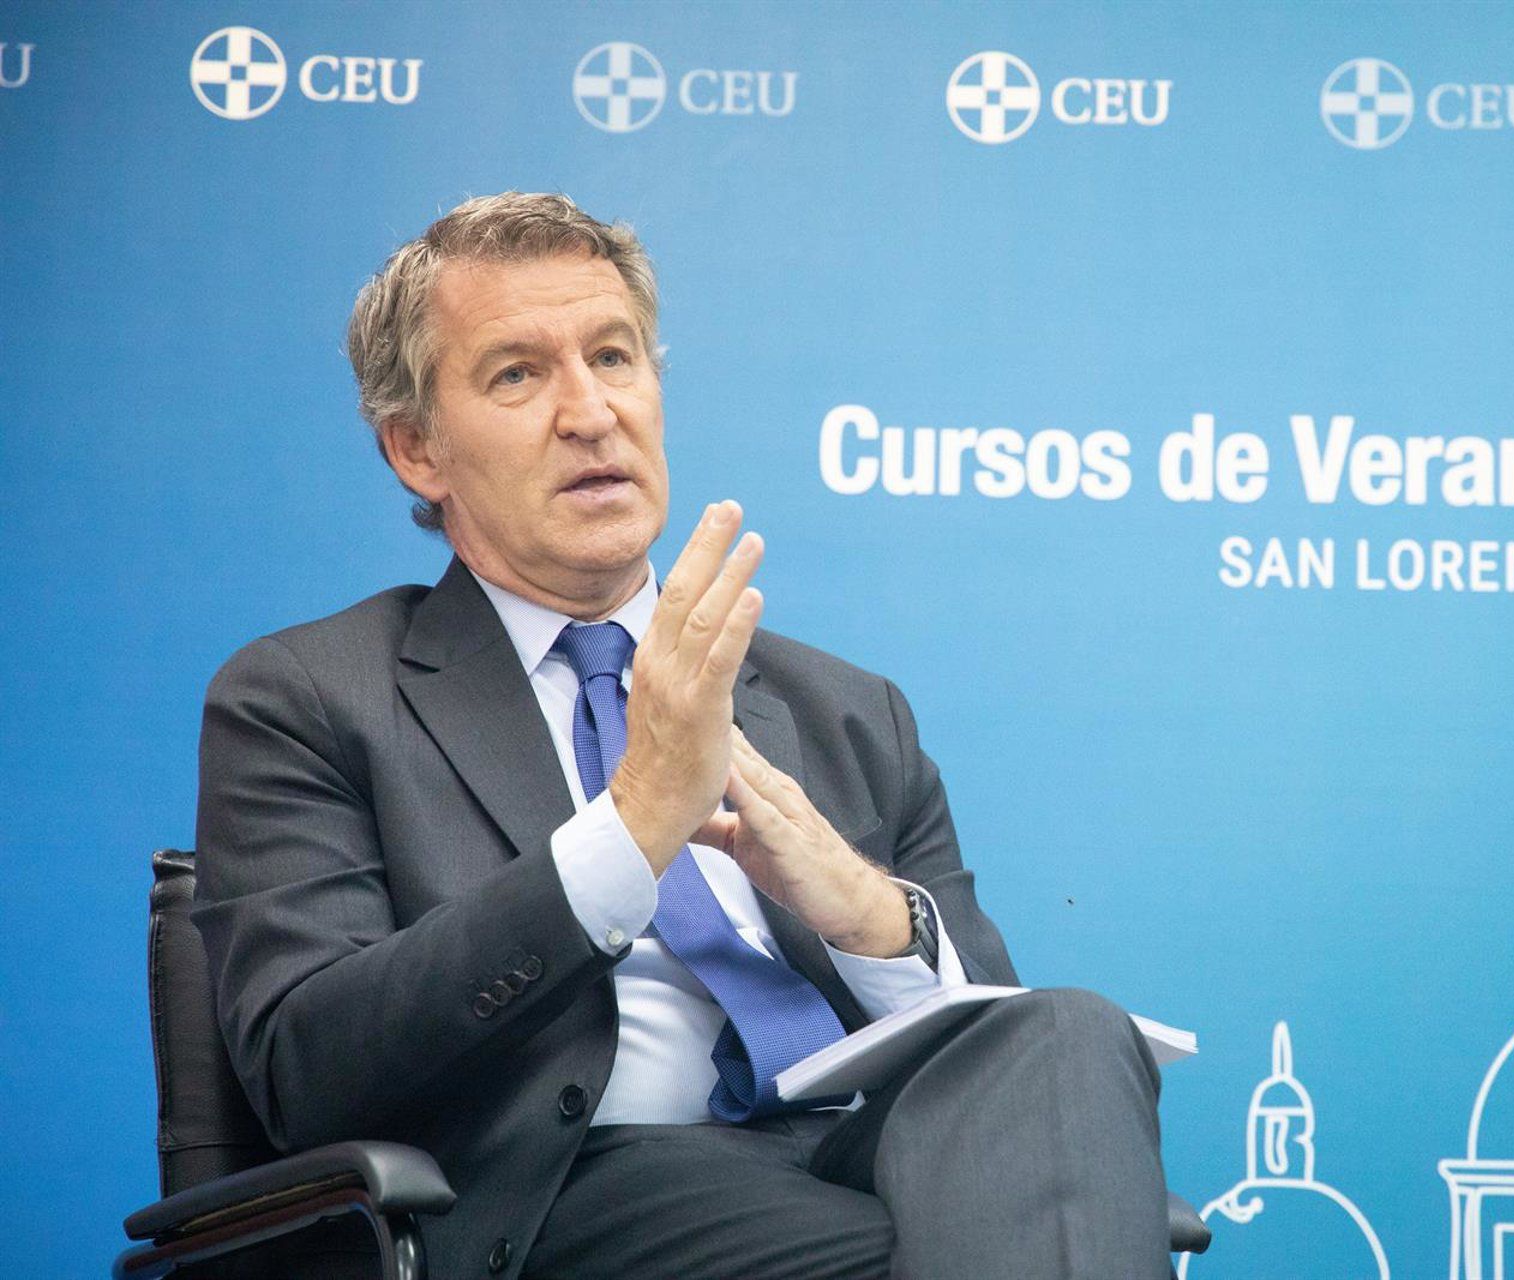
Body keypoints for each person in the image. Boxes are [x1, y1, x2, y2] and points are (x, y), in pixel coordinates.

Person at [193, 191, 1171, 1279]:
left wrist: (869, 921)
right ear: (419, 449)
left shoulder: (846, 711)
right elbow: (309, 1069)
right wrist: (631, 829)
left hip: (861, 1154)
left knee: (1066, 1032)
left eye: (613, 357)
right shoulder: (311, 698)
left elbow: (999, 1077)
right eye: (518, 375)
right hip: (580, 1186)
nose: (590, 412)